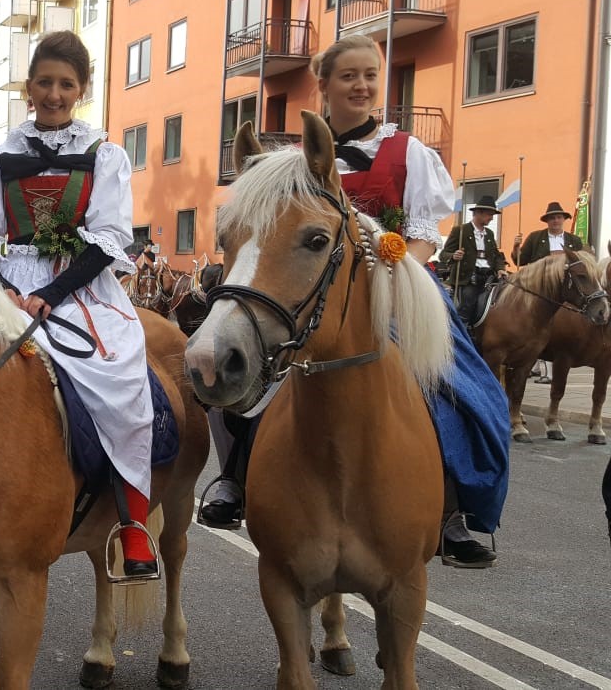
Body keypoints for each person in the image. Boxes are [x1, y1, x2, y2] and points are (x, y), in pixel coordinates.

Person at [201, 34, 510, 569]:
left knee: (457, 381)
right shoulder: (290, 161)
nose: (362, 85)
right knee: (260, 359)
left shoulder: (408, 151)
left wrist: (386, 265)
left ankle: (456, 505)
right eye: (349, 76)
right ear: (324, 85)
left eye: (371, 74)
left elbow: (422, 232)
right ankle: (236, 476)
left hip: (395, 278)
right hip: (311, 284)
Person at [0, 30, 157, 580]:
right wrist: (4, 287)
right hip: (7, 280)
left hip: (79, 287)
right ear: (29, 87)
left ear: (81, 90)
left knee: (120, 375)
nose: (54, 93)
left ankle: (133, 522)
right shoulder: (0, 155)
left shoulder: (106, 155)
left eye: (65, 84)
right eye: (45, 81)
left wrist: (49, 294)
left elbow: (108, 238)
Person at [440, 196, 509, 329]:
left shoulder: (489, 233)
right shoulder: (460, 231)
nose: (492, 218)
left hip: (489, 277)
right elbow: (444, 254)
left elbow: (496, 256)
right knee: (467, 304)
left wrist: (500, 268)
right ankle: (462, 332)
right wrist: (454, 256)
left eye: (492, 215)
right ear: (478, 213)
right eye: (489, 214)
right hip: (468, 278)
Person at [513, 202, 584, 266]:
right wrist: (516, 248)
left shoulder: (574, 240)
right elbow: (520, 261)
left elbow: (581, 263)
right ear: (547, 220)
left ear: (564, 219)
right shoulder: (534, 238)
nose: (556, 221)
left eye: (559, 217)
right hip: (540, 278)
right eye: (552, 218)